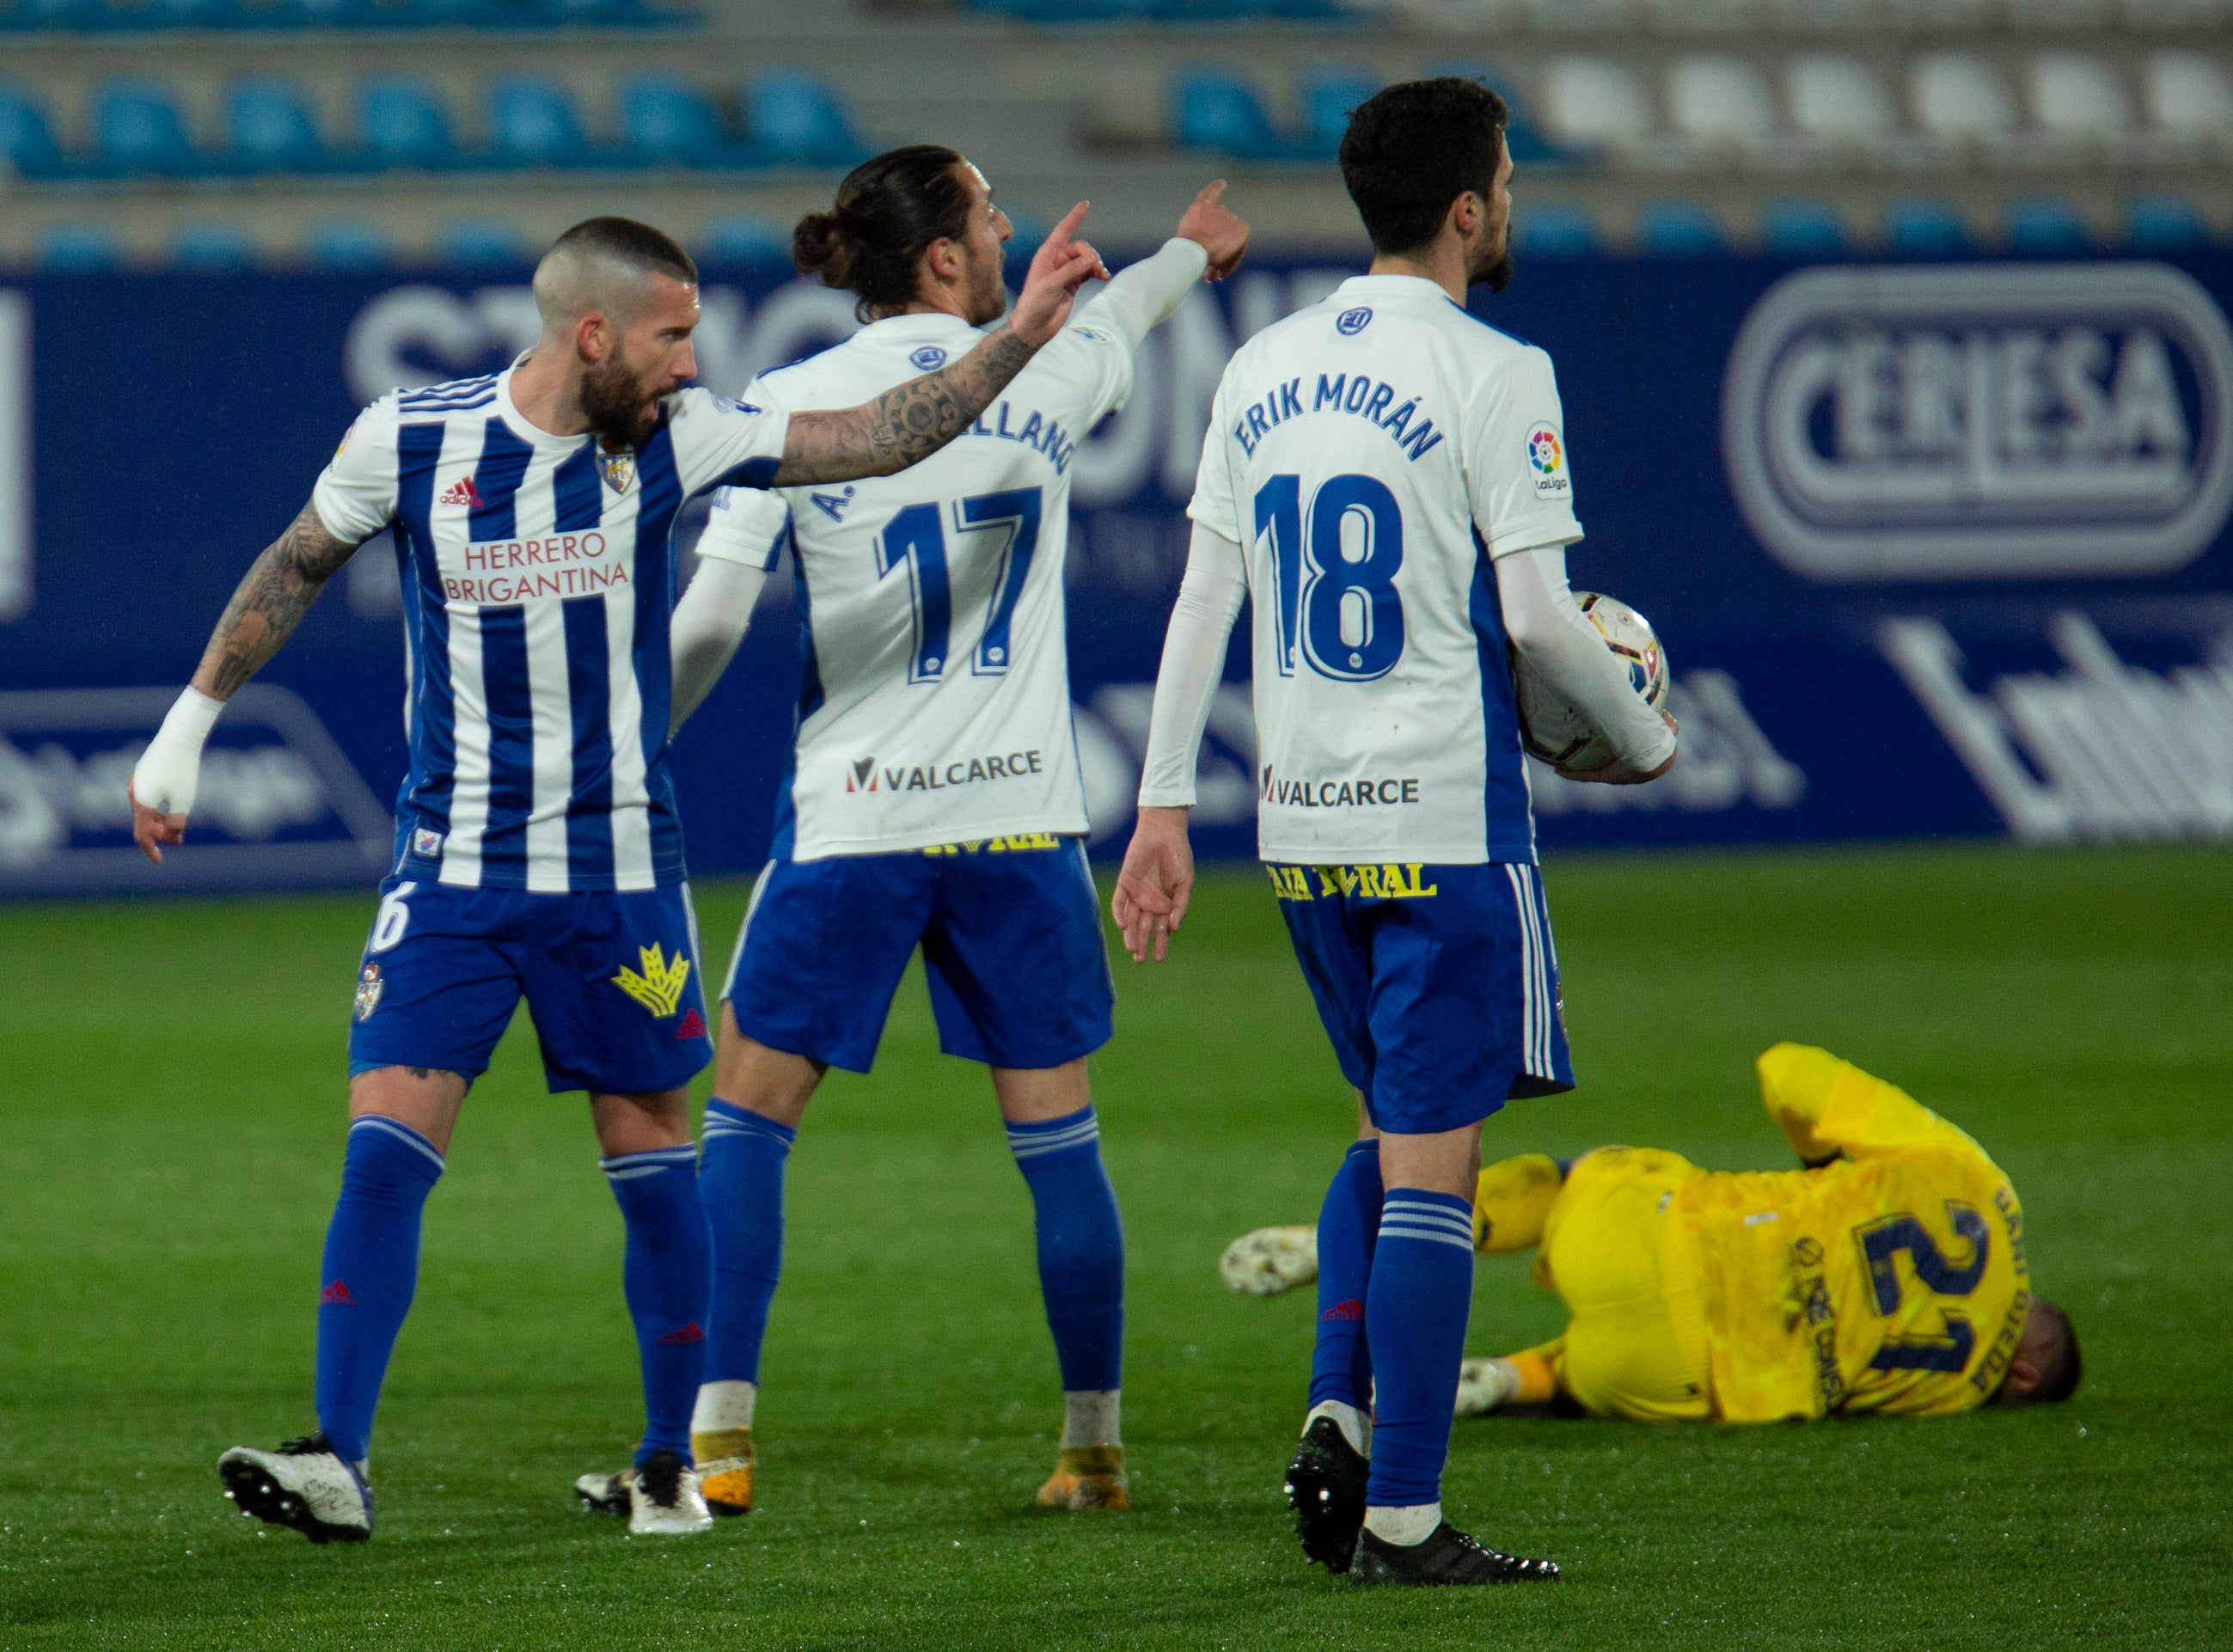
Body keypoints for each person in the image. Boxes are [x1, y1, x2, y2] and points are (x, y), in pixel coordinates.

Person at [125, 211, 1108, 1543]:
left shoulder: (678, 440)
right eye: (671, 337)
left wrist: (1022, 333)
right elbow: (298, 561)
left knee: (649, 1154)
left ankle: (665, 1466)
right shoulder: (413, 437)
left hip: (617, 871)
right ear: (590, 335)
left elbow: (879, 435)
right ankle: (336, 1459)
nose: (691, 363)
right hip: (453, 868)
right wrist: (188, 724)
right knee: (385, 1149)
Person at [572, 149, 1249, 1525]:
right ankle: (1093, 1450)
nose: (1004, 228)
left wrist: (629, 759)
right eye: (989, 212)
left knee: (750, 1122)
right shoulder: (1049, 370)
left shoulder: (792, 400)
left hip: (856, 818)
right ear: (943, 257)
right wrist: (1190, 248)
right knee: (1058, 1140)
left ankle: (717, 1446)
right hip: (1016, 819)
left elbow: (706, 617)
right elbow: (1128, 317)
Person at [1110, 78, 1679, 1586]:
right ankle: (1404, 1521)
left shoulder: (1259, 365)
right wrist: (1639, 737)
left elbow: (1202, 602)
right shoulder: (1499, 371)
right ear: (1469, 207)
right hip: (1441, 819)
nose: (1513, 198)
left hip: (1301, 826)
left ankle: (1335, 1404)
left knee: (1380, 1131)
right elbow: (1543, 622)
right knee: (1436, 1169)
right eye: (1505, 176)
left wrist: (1164, 800)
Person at [1220, 1044, 2081, 1425]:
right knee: (1593, 1366)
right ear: (2024, 1373)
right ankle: (1511, 1379)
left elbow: (1787, 1068)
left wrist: (1825, 1165)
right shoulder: (1961, 1386)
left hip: (1655, 1234)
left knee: (1581, 1173)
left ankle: (1423, 1221)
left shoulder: (1975, 1179)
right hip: (1674, 1380)